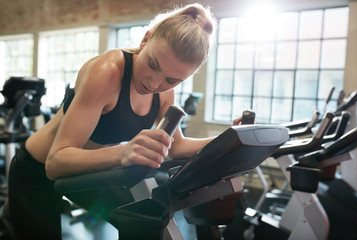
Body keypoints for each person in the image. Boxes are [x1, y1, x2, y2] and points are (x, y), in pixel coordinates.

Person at [0, 3, 229, 239]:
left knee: (144, 220)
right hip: (36, 171)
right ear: (145, 40)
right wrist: (123, 153)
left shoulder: (163, 93)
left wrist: (231, 138)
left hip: (86, 172)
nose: (153, 84)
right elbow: (55, 161)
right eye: (152, 64)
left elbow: (177, 147)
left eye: (172, 79)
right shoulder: (106, 72)